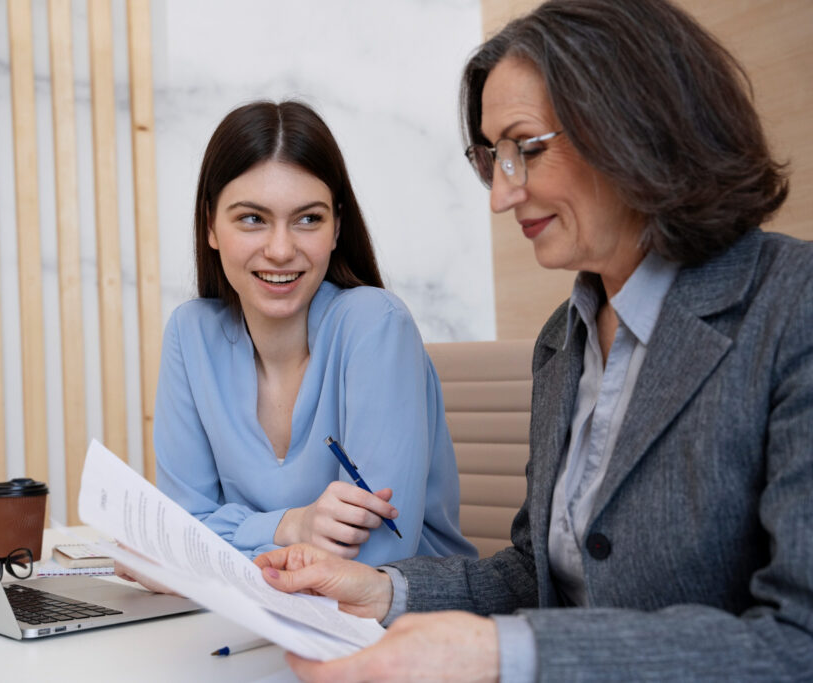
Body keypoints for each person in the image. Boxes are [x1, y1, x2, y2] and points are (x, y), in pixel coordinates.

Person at [255, 1, 813, 680]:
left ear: (632, 122)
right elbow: (537, 575)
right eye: (492, 158)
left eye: (525, 148)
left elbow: (796, 640)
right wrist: (383, 590)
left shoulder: (790, 308)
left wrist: (499, 653)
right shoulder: (563, 341)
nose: (500, 193)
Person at [149, 100, 477, 567]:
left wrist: (223, 543)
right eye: (251, 218)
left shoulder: (375, 325)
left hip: (401, 620)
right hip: (262, 615)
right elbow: (179, 529)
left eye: (308, 219)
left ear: (337, 225)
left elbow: (378, 552)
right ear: (210, 226)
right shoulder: (191, 334)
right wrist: (290, 525)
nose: (281, 249)